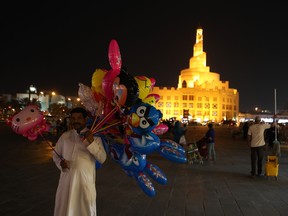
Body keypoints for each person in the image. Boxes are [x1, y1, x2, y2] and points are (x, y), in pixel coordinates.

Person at [52, 107, 107, 216]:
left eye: (79, 118)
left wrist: (91, 142)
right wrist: (61, 164)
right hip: (66, 183)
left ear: (85, 119)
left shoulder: (94, 137)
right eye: (73, 118)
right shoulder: (65, 136)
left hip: (84, 183)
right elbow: (55, 155)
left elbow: (102, 158)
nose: (75, 121)